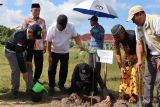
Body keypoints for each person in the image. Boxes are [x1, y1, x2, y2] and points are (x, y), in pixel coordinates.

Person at [126, 5, 160, 107]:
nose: (132, 21)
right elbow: (139, 43)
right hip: (150, 57)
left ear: (140, 14)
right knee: (147, 81)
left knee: (159, 83)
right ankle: (146, 104)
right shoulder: (138, 27)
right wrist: (140, 60)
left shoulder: (156, 20)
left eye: (133, 18)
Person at [46, 14, 84, 96]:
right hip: (54, 51)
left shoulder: (71, 27)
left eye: (62, 27)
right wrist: (49, 56)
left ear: (66, 25)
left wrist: (80, 45)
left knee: (64, 70)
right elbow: (48, 43)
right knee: (51, 70)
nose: (60, 28)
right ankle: (51, 86)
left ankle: (61, 85)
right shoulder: (52, 28)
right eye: (59, 26)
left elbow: (76, 37)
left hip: (65, 52)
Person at [5, 24, 42, 98]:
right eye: (34, 37)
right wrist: (24, 72)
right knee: (16, 69)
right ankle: (14, 90)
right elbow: (19, 55)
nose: (34, 39)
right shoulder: (20, 35)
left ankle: (30, 89)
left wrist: (29, 60)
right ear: (30, 32)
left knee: (29, 69)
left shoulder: (32, 37)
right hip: (11, 52)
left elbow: (30, 49)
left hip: (22, 51)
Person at [111, 24, 139, 103]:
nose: (116, 38)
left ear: (122, 31)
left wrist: (134, 59)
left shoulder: (133, 35)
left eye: (117, 36)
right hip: (127, 55)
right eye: (115, 36)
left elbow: (141, 48)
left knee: (134, 73)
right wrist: (121, 66)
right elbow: (117, 53)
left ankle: (134, 95)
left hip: (138, 54)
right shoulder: (116, 39)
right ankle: (126, 93)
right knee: (124, 72)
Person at [22, 3, 47, 84]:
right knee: (28, 64)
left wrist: (45, 44)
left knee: (39, 66)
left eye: (39, 10)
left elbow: (44, 33)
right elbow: (23, 32)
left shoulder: (42, 21)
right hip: (29, 47)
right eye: (35, 10)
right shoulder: (27, 20)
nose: (37, 12)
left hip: (39, 47)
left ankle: (36, 80)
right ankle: (29, 82)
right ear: (31, 10)